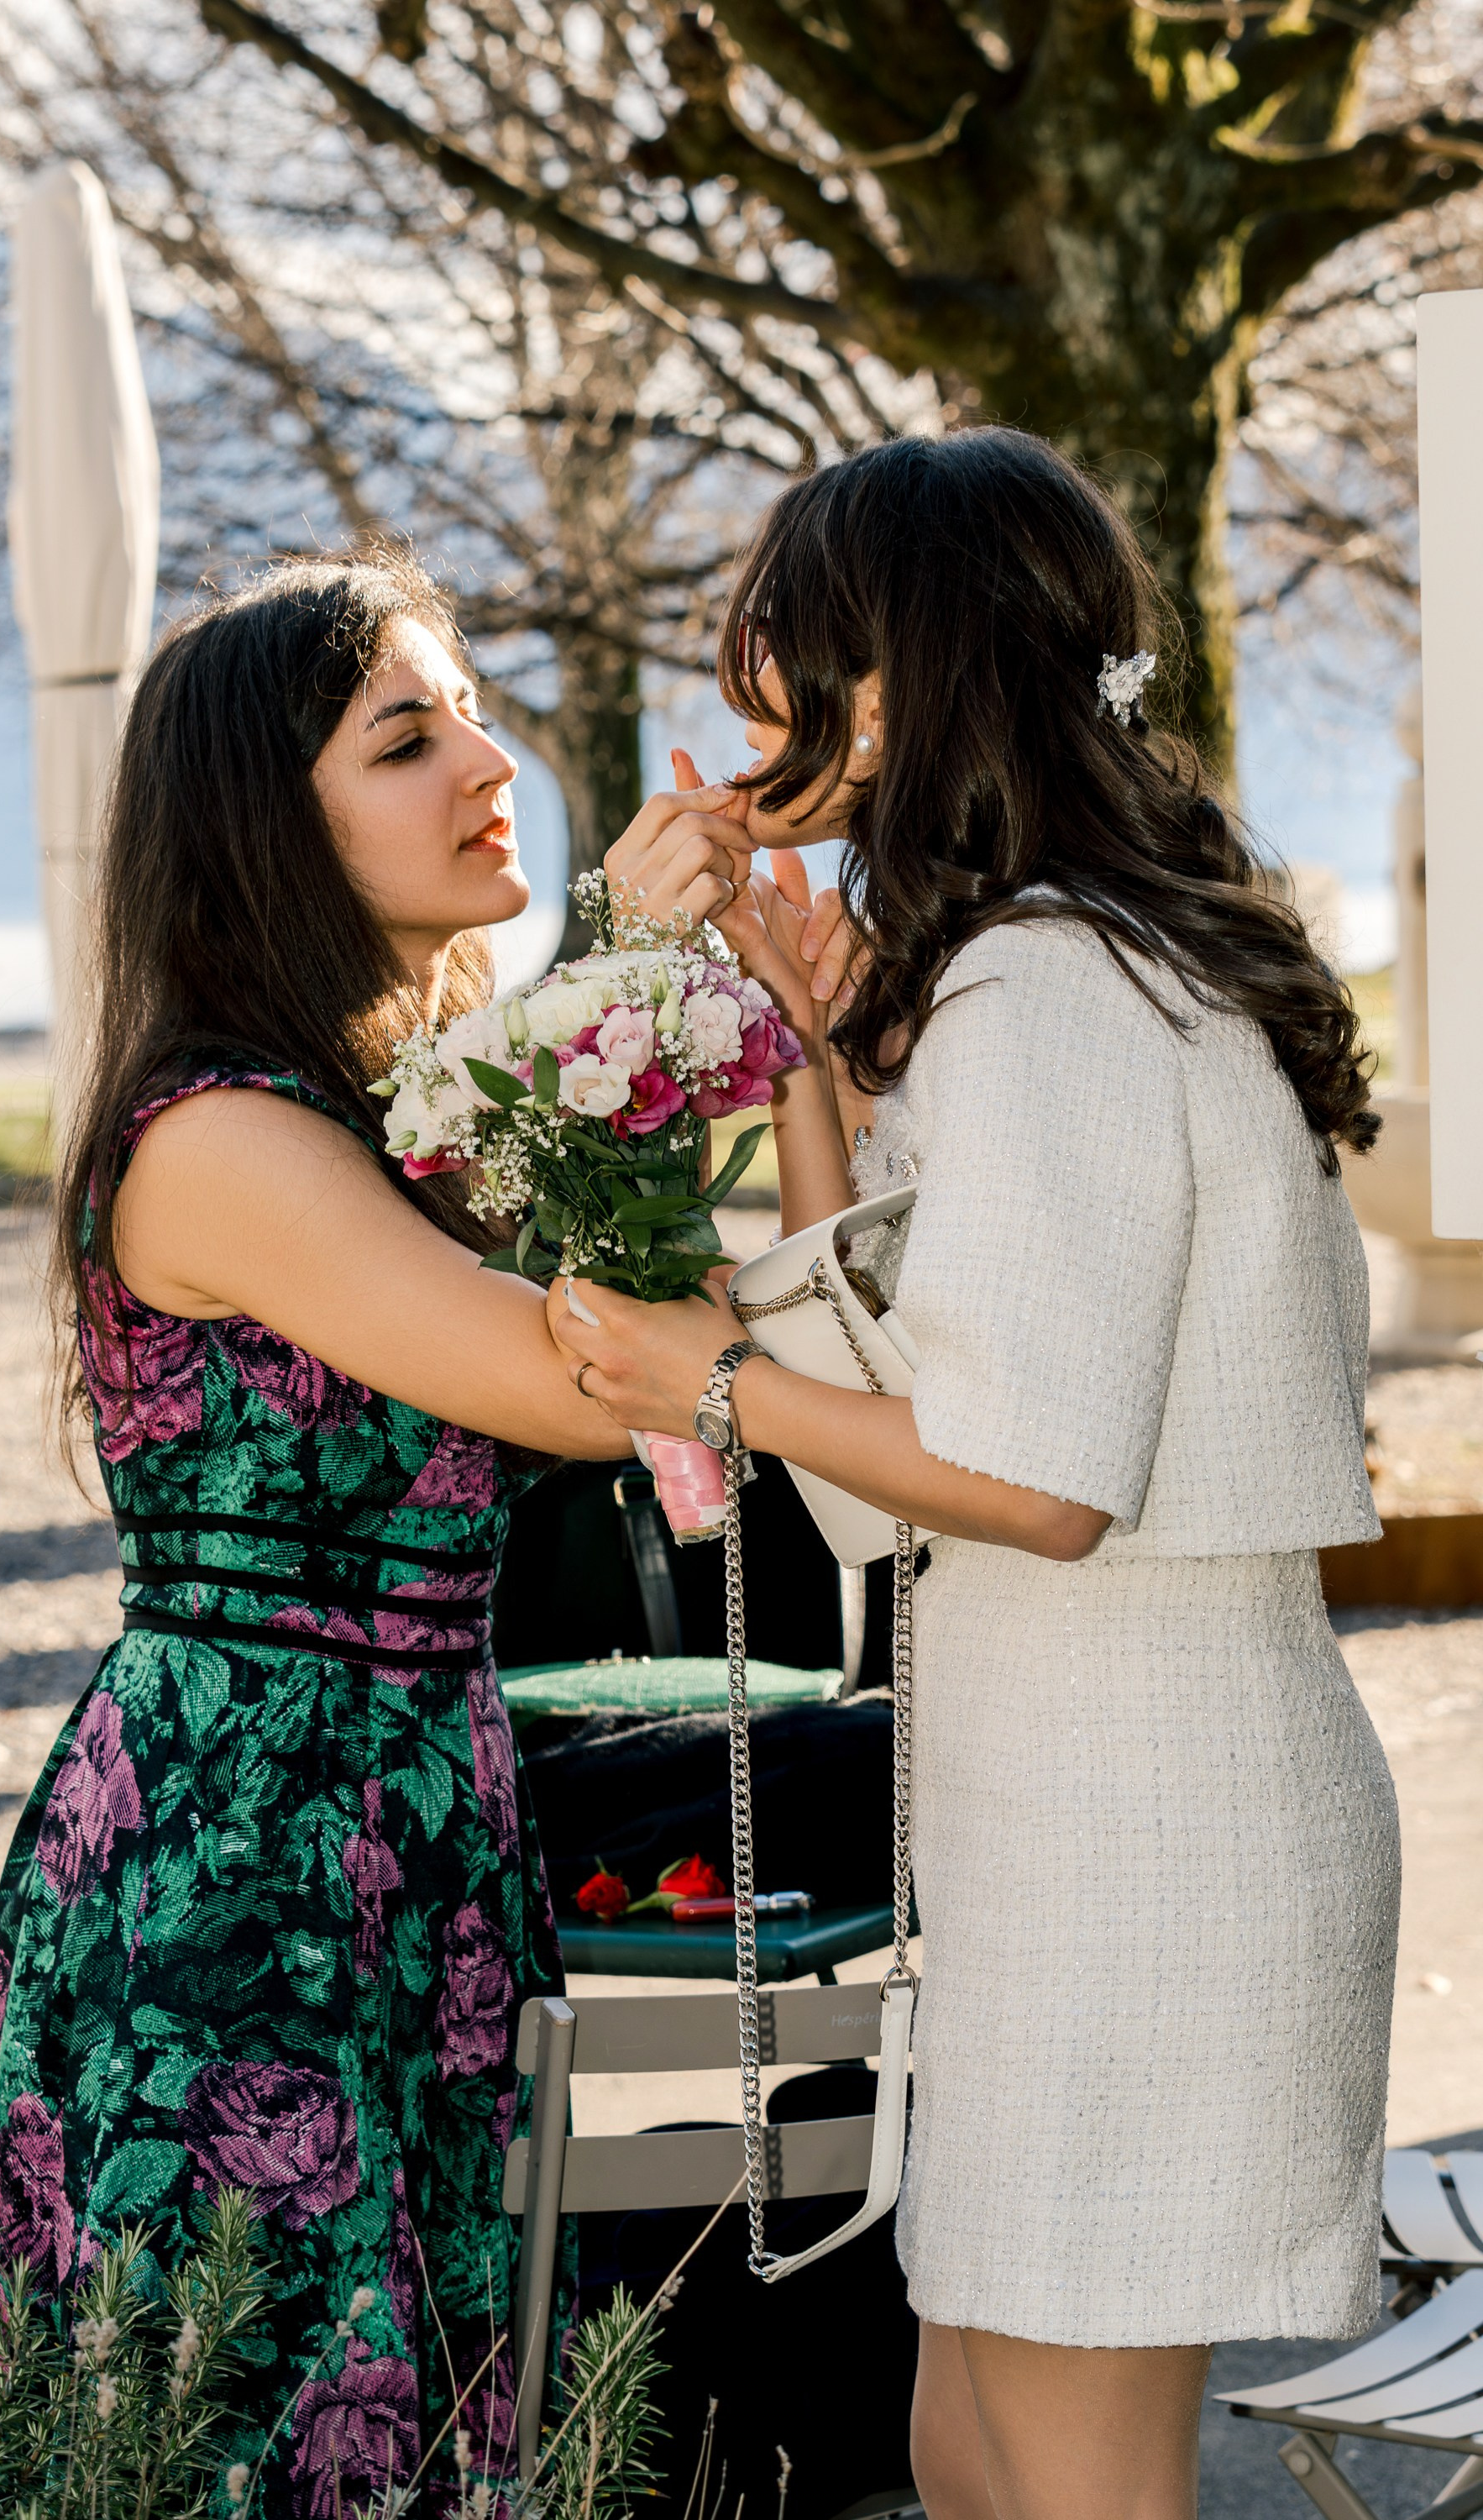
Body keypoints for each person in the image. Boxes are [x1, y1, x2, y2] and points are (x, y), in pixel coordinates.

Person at [554, 429, 1398, 2520]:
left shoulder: (1052, 985)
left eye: (787, 660)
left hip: (1148, 1821)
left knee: (1068, 2473)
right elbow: (924, 1362)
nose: (752, 712)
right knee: (962, 2441)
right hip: (1083, 1800)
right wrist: (819, 1052)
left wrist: (705, 1375)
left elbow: (1027, 1478)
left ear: (895, 681)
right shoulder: (1054, 960)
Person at [0, 552, 748, 2512]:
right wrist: (641, 979)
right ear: (267, 828)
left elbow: (657, 1331)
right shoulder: (224, 1135)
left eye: (470, 706)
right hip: (236, 1859)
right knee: (255, 2435)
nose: (482, 756)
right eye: (408, 735)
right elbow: (590, 1381)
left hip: (407, 1813)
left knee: (426, 2423)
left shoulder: (394, 1103)